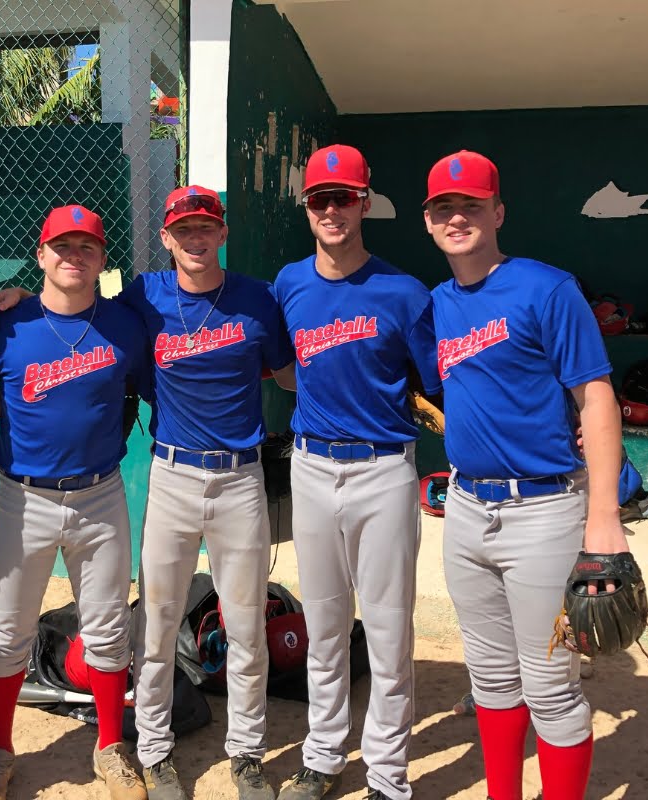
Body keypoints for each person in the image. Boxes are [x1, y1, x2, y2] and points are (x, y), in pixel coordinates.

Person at [0, 186, 296, 800]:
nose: (196, 237)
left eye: (207, 226)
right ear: (166, 239)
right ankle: (133, 750)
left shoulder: (224, 303)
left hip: (218, 479)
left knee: (238, 624)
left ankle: (232, 752)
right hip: (114, 482)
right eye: (184, 228)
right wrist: (3, 298)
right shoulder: (119, 304)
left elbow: (279, 366)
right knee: (138, 620)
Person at [422, 150, 630, 800]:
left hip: (546, 513)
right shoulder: (434, 305)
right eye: (444, 208)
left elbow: (596, 395)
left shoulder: (547, 288)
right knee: (488, 678)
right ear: (428, 222)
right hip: (465, 512)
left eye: (472, 205)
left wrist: (604, 520)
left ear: (498, 212)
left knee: (553, 684)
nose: (458, 217)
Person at [271, 144, 440, 800]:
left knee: (391, 628)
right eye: (320, 198)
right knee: (324, 623)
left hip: (383, 472)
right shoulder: (289, 283)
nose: (332, 209)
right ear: (307, 208)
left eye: (344, 197)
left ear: (365, 202)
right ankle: (322, 754)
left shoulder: (404, 292)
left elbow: (438, 380)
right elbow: (286, 369)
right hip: (313, 466)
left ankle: (389, 776)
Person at [0, 205, 151, 800]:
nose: (75, 256)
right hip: (23, 500)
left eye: (88, 248)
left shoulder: (124, 324)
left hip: (100, 497)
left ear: (102, 260)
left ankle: (110, 748)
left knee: (107, 629)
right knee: (7, 632)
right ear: (41, 254)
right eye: (62, 246)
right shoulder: (8, 324)